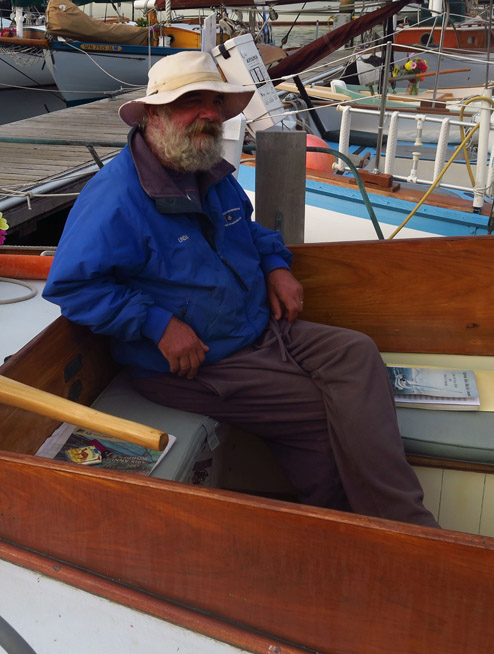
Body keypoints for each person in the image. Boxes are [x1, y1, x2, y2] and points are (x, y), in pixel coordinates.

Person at [42, 50, 438, 528]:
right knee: (319, 411)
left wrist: (275, 265)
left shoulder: (207, 170)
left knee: (356, 351)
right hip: (195, 363)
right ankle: (376, 526)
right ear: (153, 115)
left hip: (256, 329)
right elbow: (74, 286)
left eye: (215, 102)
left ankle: (388, 517)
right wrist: (158, 324)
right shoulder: (115, 196)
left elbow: (246, 230)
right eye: (191, 102)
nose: (209, 113)